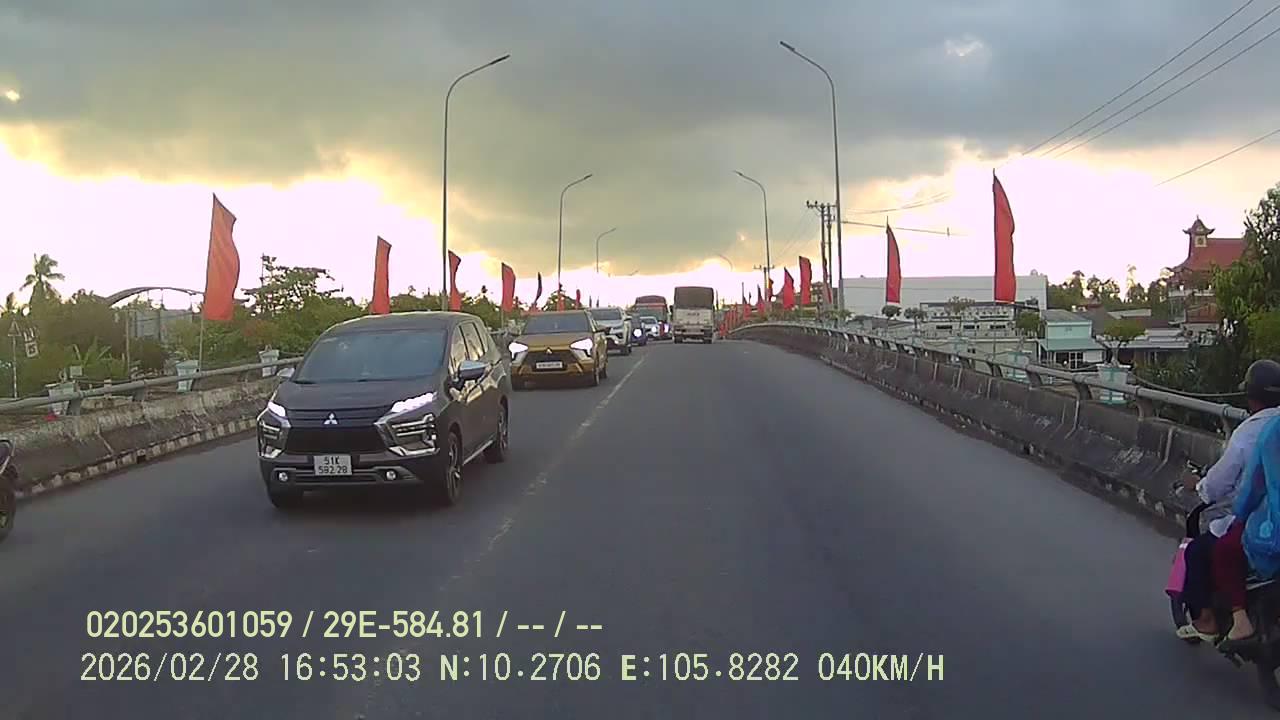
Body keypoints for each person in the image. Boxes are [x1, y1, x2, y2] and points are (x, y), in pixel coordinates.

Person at [1177, 358, 1280, 641]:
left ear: (1251, 396)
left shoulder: (1256, 433)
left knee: (1211, 550)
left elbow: (1248, 489)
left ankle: (1224, 619)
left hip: (1266, 522)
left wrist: (1206, 491)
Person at [1213, 359, 1280, 649]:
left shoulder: (1270, 432)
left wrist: (1239, 515)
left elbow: (1253, 486)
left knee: (1225, 550)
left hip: (1273, 530)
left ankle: (1240, 621)